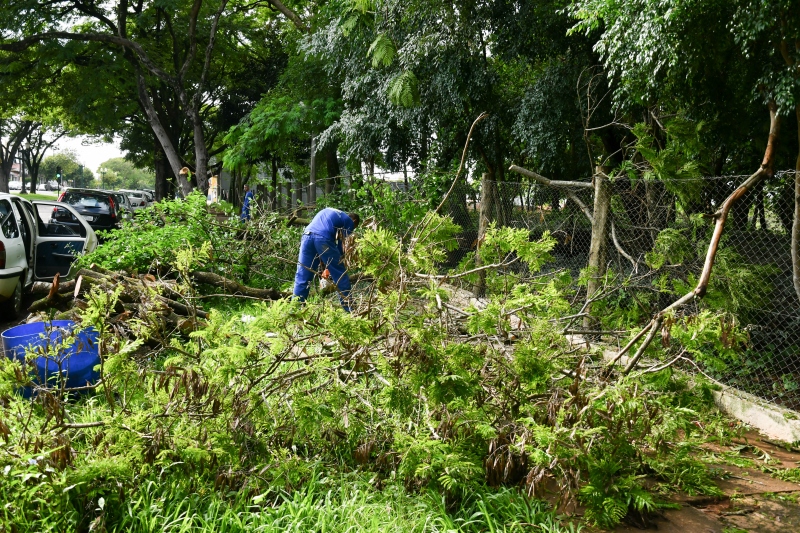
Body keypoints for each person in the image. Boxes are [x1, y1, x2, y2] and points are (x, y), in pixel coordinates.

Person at [293, 208, 360, 311]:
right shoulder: (349, 221)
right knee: (340, 274)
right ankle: (351, 310)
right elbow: (342, 247)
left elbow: (319, 238)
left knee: (302, 276)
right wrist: (333, 266)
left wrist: (326, 266)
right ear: (354, 221)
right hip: (323, 238)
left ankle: (295, 310)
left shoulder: (333, 212)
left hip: (307, 235)